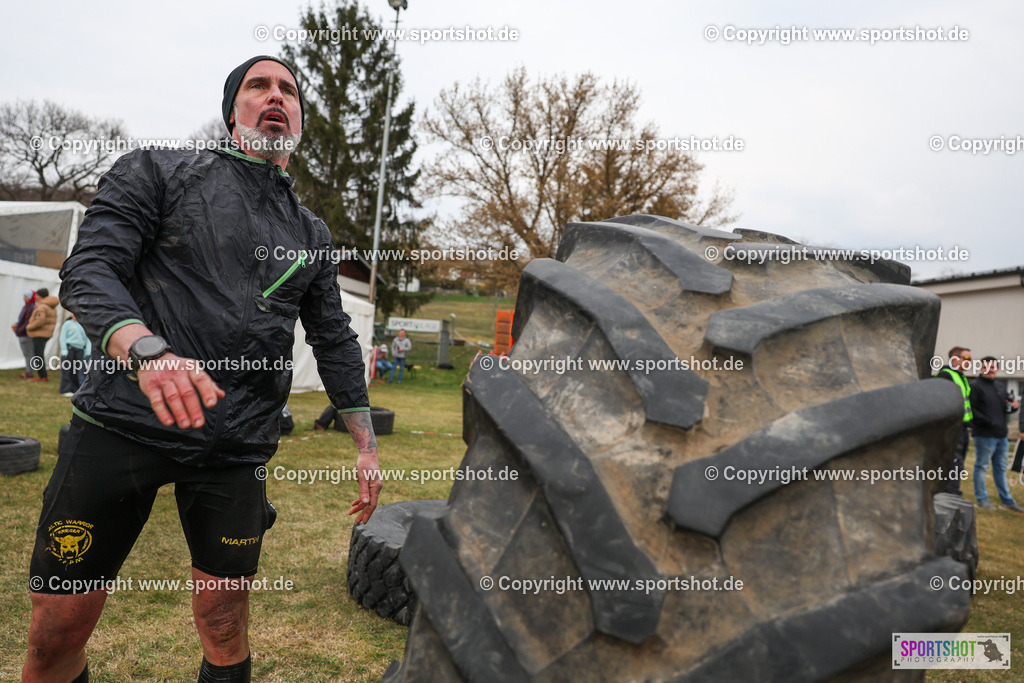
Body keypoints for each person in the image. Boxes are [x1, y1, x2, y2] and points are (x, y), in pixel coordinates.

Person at [23, 56, 382, 683]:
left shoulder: (311, 234)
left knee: (223, 617)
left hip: (233, 442)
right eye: (258, 86)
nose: (276, 97)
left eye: (289, 90)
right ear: (232, 108)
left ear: (299, 117)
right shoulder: (156, 171)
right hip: (120, 423)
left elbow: (334, 338)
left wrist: (365, 442)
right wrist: (146, 351)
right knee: (57, 628)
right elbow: (89, 270)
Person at [969, 356, 1023, 513]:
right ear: (981, 368)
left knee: (1000, 469)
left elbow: (1005, 409)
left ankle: (1007, 501)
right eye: (986, 367)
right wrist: (988, 422)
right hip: (984, 435)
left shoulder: (1000, 386)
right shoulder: (975, 386)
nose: (990, 370)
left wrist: (1013, 407)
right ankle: (982, 500)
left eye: (993, 367)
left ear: (997, 369)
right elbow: (971, 410)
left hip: (1001, 435)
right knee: (982, 467)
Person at [936, 346, 973, 495]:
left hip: (963, 427)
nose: (970, 362)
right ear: (955, 359)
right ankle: (951, 492)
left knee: (958, 461)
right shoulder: (946, 375)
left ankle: (950, 490)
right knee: (954, 462)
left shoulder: (961, 376)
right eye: (967, 358)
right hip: (953, 427)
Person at [25, 287, 59, 382]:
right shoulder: (51, 306)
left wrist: (29, 327)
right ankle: (42, 375)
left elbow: (39, 321)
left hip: (39, 334)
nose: (35, 296)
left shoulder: (42, 306)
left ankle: (42, 376)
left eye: (36, 295)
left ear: (39, 296)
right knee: (40, 355)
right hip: (46, 333)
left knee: (38, 356)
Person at [58, 313, 92, 396]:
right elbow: (62, 337)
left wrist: (87, 350)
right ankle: (65, 389)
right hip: (70, 349)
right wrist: (64, 350)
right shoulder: (67, 324)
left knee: (76, 370)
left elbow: (88, 338)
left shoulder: (84, 325)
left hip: (80, 350)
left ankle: (75, 389)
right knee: (67, 370)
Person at [12, 290, 37, 378]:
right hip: (23, 333)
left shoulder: (31, 308)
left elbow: (27, 322)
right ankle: (29, 372)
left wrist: (19, 329)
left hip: (26, 334)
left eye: (26, 296)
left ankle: (29, 373)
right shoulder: (27, 307)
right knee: (28, 354)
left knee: (29, 354)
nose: (24, 298)